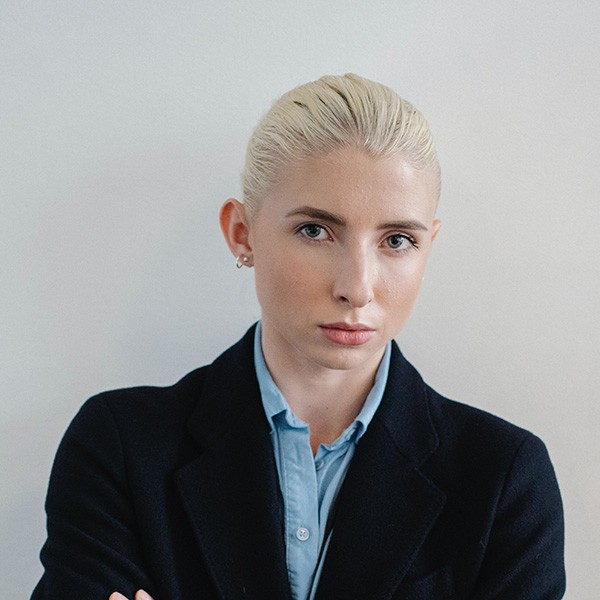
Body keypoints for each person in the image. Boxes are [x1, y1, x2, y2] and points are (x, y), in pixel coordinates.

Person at [31, 74, 565, 600]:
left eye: (398, 240)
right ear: (242, 233)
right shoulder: (120, 449)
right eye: (315, 231)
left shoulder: (504, 480)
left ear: (429, 247)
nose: (357, 288)